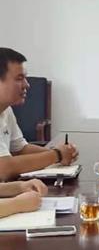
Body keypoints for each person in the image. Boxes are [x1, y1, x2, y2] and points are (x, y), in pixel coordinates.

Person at [0, 48, 78, 180]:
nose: (27, 85)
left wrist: (63, 153)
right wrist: (57, 155)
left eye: (25, 78)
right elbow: (4, 169)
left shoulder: (6, 110)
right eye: (19, 79)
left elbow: (20, 149)